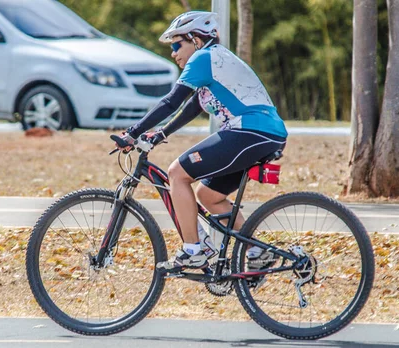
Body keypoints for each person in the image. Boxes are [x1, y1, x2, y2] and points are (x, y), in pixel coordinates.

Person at [117, 11, 288, 273]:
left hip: (249, 132)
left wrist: (133, 132)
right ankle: (257, 251)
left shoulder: (203, 58)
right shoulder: (218, 59)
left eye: (177, 45)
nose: (174, 53)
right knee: (208, 195)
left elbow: (171, 101)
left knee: (177, 173)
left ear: (196, 40)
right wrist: (161, 133)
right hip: (265, 134)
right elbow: (192, 106)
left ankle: (193, 251)